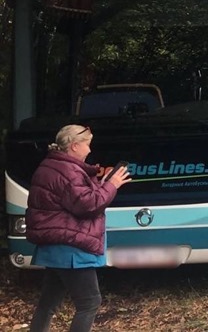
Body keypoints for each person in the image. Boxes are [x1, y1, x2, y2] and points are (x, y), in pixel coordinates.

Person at [26, 124, 132, 332]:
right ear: (74, 146)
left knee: (48, 303)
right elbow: (89, 205)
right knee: (89, 302)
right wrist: (112, 186)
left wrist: (101, 185)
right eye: (87, 145)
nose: (90, 150)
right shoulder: (69, 171)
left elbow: (78, 197)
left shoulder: (51, 165)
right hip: (71, 247)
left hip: (55, 246)